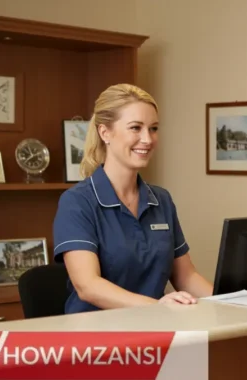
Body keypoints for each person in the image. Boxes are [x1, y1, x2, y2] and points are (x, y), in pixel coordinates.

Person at [53, 83, 213, 314]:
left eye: (154, 128)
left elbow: (186, 276)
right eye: (135, 128)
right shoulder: (77, 202)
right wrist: (158, 306)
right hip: (95, 339)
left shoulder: (161, 200)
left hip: (154, 329)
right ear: (105, 132)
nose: (147, 139)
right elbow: (88, 286)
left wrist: (233, 304)